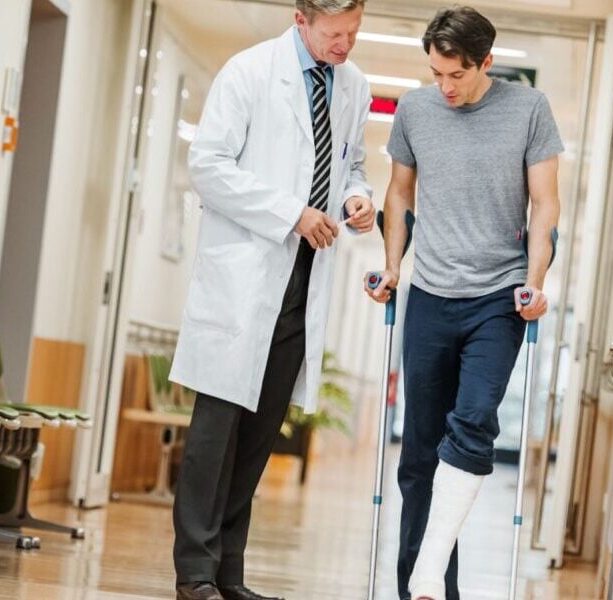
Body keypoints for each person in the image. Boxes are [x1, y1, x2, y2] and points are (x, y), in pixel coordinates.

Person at [168, 1, 375, 599]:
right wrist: (291, 214)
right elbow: (207, 165)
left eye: (354, 33)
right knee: (216, 432)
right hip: (246, 276)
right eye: (335, 34)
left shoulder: (353, 85)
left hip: (305, 278)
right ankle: (194, 573)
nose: (345, 45)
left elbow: (352, 163)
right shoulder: (250, 72)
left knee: (259, 435)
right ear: (301, 19)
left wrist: (357, 198)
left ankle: (228, 573)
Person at [364, 6, 563, 600]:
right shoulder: (414, 109)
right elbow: (400, 193)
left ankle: (426, 575)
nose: (445, 87)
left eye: (457, 75)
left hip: (497, 299)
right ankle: (424, 590)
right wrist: (393, 268)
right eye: (436, 73)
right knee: (418, 456)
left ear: (487, 63)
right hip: (429, 294)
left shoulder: (529, 109)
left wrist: (535, 281)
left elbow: (545, 206)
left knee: (473, 421)